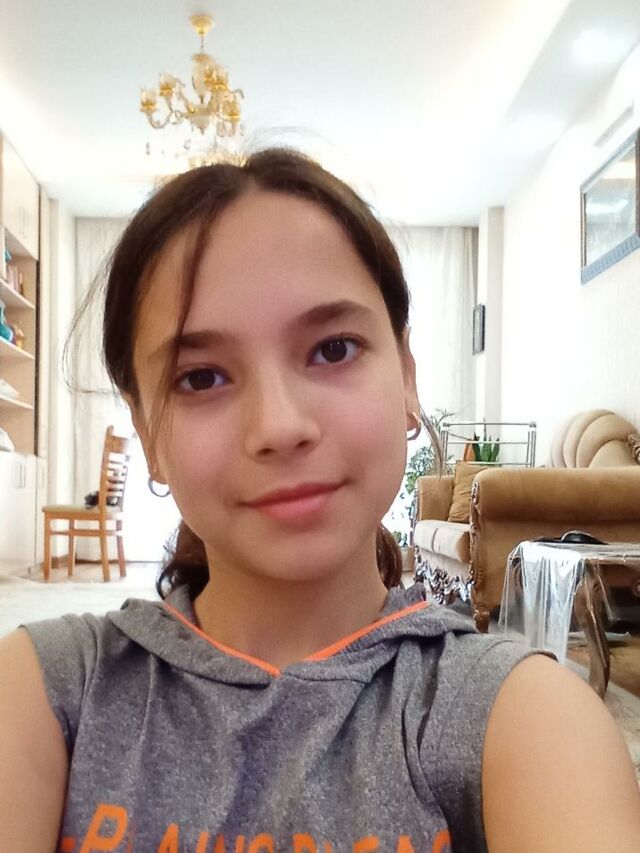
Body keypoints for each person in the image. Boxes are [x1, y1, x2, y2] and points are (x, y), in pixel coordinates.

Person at [1, 149, 639, 853]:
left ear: (407, 377)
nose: (279, 426)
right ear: (146, 428)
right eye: (201, 376)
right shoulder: (45, 690)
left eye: (333, 349)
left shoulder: (522, 717)